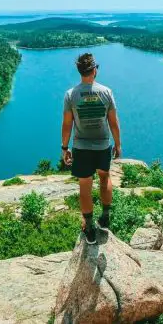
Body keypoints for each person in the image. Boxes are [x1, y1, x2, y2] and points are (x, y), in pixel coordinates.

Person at [61, 52, 122, 244]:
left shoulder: (71, 94)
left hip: (81, 146)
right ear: (94, 70)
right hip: (103, 145)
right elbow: (113, 122)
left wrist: (64, 147)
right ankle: (105, 217)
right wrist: (118, 145)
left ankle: (89, 227)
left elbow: (67, 124)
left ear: (80, 71)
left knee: (85, 185)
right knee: (105, 178)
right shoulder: (106, 92)